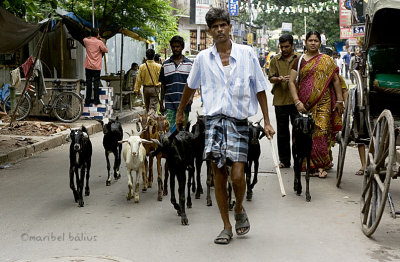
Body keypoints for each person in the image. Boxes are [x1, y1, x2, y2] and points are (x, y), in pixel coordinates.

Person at [175, 7, 275, 245]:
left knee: (238, 175)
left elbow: (260, 87)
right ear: (210, 31)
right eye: (215, 27)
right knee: (218, 175)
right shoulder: (202, 58)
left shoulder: (247, 53)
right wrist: (180, 110)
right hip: (213, 122)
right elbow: (190, 86)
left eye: (223, 25)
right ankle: (226, 226)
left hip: (238, 121)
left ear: (230, 27)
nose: (220, 30)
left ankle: (239, 207)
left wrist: (268, 121)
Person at [288, 31, 344, 178]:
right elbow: (291, 82)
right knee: (305, 133)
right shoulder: (299, 61)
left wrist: (339, 100)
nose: (313, 43)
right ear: (305, 42)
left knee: (321, 131)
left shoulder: (326, 60)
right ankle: (307, 164)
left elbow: (336, 80)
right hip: (304, 104)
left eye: (316, 40)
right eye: (310, 40)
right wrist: (297, 101)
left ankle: (321, 165)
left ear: (320, 43)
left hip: (323, 102)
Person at [268, 34, 301, 168]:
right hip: (280, 100)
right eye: (282, 47)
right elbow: (271, 77)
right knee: (282, 132)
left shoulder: (299, 58)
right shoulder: (275, 60)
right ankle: (284, 161)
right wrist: (279, 79)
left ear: (292, 45)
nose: (284, 49)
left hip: (296, 100)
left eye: (287, 46)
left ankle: (299, 159)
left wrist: (295, 80)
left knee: (298, 131)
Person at [159, 35, 193, 131]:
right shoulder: (165, 65)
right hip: (169, 103)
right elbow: (163, 85)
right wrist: (161, 103)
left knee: (182, 132)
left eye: (177, 46)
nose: (175, 49)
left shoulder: (190, 64)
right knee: (169, 130)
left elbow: (193, 84)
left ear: (182, 47)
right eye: (173, 47)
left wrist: (190, 97)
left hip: (185, 104)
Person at [83, 28, 108, 105]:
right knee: (96, 83)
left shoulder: (86, 41)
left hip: (88, 65)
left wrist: (91, 37)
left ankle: (87, 100)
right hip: (96, 66)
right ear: (98, 34)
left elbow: (84, 38)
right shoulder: (99, 42)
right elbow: (106, 50)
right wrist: (100, 40)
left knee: (89, 83)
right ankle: (96, 100)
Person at [134, 49, 162, 115]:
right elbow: (161, 80)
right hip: (155, 88)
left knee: (147, 108)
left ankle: (147, 122)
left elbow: (138, 79)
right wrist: (159, 86)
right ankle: (150, 122)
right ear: (154, 55)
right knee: (152, 109)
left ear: (146, 56)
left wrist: (136, 90)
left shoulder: (142, 66)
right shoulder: (158, 66)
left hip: (146, 89)